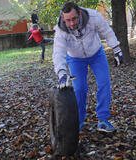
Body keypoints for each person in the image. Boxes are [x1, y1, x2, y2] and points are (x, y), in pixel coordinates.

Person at [52, 2, 123, 132]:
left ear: (79, 13)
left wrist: (117, 49)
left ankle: (103, 120)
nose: (72, 23)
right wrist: (62, 73)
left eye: (74, 19)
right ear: (63, 18)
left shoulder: (93, 17)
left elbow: (107, 31)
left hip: (96, 54)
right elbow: (58, 52)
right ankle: (79, 121)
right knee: (79, 89)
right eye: (68, 20)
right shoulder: (61, 30)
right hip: (75, 59)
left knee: (104, 83)